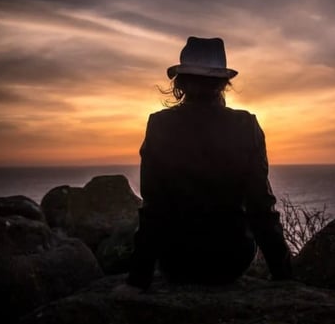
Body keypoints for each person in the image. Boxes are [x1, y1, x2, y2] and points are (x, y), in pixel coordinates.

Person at [121, 36, 292, 293]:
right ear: (223, 83)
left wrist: (137, 280)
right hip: (232, 260)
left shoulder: (160, 125)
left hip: (177, 261)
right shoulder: (246, 126)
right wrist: (285, 275)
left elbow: (154, 209)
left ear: (180, 83)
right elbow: (261, 208)